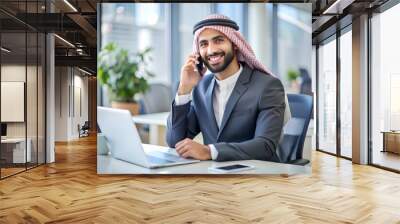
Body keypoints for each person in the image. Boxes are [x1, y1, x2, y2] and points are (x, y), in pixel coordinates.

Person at [166, 14, 290, 162]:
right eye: (204, 44)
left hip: (257, 175)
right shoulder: (201, 88)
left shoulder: (267, 86)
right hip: (215, 174)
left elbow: (265, 145)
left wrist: (209, 152)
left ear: (235, 44)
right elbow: (175, 141)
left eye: (218, 40)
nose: (211, 50)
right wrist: (184, 89)